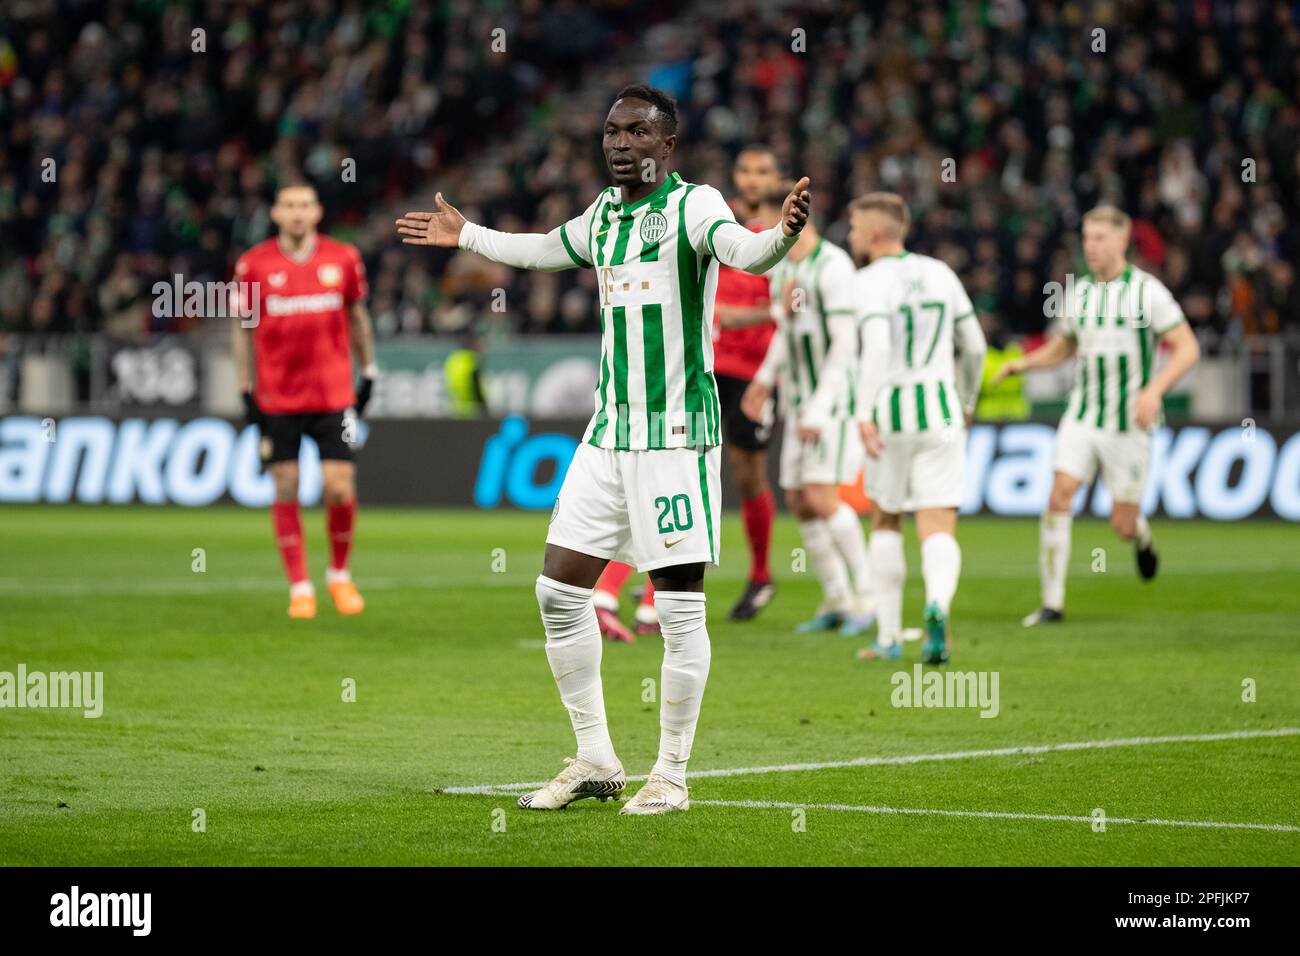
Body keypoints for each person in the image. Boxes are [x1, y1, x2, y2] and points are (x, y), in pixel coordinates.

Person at [396, 85, 810, 814]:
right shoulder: (603, 217)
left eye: (637, 132)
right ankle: (594, 756)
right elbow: (540, 251)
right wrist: (467, 235)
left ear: (667, 145)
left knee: (679, 609)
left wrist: (780, 234)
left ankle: (672, 776)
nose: (620, 144)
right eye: (612, 132)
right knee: (558, 592)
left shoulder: (696, 206)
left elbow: (747, 254)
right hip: (608, 432)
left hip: (676, 434)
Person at [994, 205, 1201, 627]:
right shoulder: (1080, 292)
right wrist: (1025, 363)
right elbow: (1064, 346)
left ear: (1122, 241)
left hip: (1129, 422)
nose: (1091, 246)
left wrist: (1155, 389)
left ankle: (1140, 537)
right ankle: (1052, 602)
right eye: (1087, 238)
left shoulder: (1148, 292)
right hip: (1083, 414)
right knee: (1059, 494)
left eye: (1100, 238)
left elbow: (1188, 347)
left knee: (1121, 525)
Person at [850, 193, 987, 664]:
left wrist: (864, 409)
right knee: (938, 523)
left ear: (874, 233)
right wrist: (966, 400)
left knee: (886, 518)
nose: (849, 236)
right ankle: (937, 605)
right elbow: (974, 346)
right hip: (942, 411)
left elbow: (876, 345)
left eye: (853, 227)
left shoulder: (866, 281)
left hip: (890, 413)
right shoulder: (940, 272)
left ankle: (888, 637)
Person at [232, 180, 376, 620]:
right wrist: (244, 388)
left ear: (317, 212)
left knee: (338, 487)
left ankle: (338, 574)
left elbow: (357, 316)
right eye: (288, 205)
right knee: (286, 485)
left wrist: (368, 370)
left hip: (333, 395)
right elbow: (241, 329)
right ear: (275, 213)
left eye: (305, 205)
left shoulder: (343, 258)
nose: (297, 213)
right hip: (277, 398)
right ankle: (299, 585)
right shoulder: (252, 265)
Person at [741, 186, 873, 636]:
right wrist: (763, 379)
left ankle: (869, 598)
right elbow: (786, 331)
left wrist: (820, 407)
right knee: (798, 500)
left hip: (831, 403)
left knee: (821, 495)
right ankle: (837, 598)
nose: (761, 232)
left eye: (767, 221)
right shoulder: (783, 267)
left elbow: (844, 343)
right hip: (797, 403)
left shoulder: (833, 267)